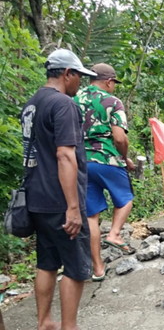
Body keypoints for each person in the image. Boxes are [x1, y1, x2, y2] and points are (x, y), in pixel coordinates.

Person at [20, 48, 96, 330]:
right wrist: (73, 208)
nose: (80, 84)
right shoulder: (63, 104)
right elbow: (65, 155)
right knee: (75, 267)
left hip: (36, 199)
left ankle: (44, 322)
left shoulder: (32, 103)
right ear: (68, 74)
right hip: (60, 200)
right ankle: (69, 326)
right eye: (79, 77)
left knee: (47, 262)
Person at [74, 63, 136, 282]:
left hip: (80, 162)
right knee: (126, 198)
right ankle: (115, 234)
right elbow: (119, 137)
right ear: (109, 82)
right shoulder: (112, 101)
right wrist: (125, 156)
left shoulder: (75, 98)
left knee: (91, 216)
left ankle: (98, 269)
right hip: (106, 158)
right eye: (113, 84)